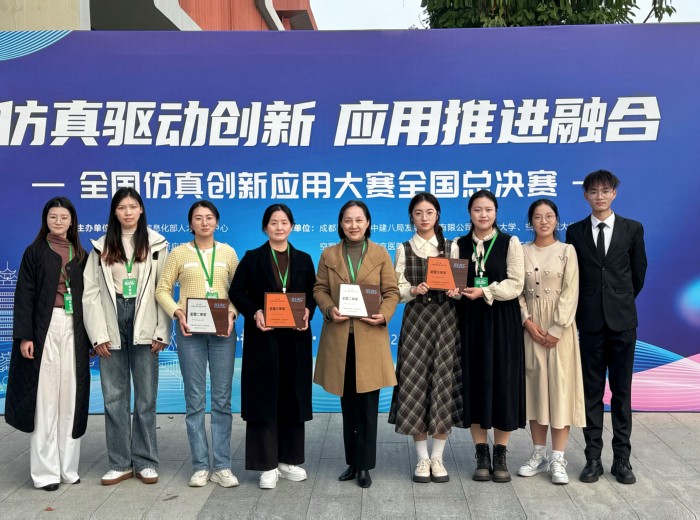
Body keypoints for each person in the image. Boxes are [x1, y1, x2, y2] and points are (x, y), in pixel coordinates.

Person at [83, 188, 171, 486]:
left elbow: (163, 289)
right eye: (122, 207)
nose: (128, 212)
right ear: (115, 212)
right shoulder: (100, 247)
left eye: (133, 206)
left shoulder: (157, 244)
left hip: (145, 319)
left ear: (141, 209)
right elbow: (90, 294)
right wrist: (98, 336)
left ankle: (146, 462)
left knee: (146, 397)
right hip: (111, 319)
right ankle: (119, 463)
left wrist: (162, 331)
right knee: (113, 397)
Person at [566, 170, 647, 485]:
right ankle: (593, 459)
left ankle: (622, 460)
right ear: (585, 195)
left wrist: (618, 300)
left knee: (623, 392)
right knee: (592, 392)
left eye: (605, 190)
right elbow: (574, 276)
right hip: (589, 323)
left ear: (614, 193)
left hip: (623, 322)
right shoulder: (575, 232)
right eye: (593, 191)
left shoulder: (632, 228)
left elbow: (638, 274)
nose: (599, 196)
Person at [5, 197, 90, 491]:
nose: (58, 221)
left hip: (74, 328)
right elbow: (23, 296)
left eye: (63, 217)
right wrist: (25, 336)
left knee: (71, 397)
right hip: (45, 328)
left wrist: (92, 337)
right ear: (45, 220)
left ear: (72, 221)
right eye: (53, 217)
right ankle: (45, 473)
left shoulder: (81, 254)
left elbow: (90, 299)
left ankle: (68, 468)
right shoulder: (35, 252)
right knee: (45, 399)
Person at [228, 204, 316, 490]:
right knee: (264, 397)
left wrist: (308, 311)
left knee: (292, 395)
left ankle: (289, 460)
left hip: (295, 340)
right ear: (265, 227)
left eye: (284, 222)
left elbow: (313, 294)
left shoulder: (304, 259)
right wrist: (255, 311)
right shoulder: (253, 258)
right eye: (273, 222)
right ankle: (266, 464)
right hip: (263, 339)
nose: (279, 227)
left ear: (292, 226)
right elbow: (236, 291)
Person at [313, 200, 399, 489]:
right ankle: (352, 462)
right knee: (348, 404)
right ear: (341, 223)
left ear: (367, 223)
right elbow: (319, 289)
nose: (353, 225)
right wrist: (328, 309)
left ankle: (365, 466)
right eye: (348, 220)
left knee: (367, 406)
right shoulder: (329, 254)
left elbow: (391, 291)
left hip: (369, 337)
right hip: (340, 338)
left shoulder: (380, 253)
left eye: (359, 220)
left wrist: (383, 314)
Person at [155, 200, 239, 488]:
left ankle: (223, 466)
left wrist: (232, 314)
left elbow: (238, 291)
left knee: (222, 400)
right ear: (190, 223)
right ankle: (201, 466)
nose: (204, 222)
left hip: (223, 334)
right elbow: (162, 289)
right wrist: (177, 312)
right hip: (190, 333)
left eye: (209, 217)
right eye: (198, 218)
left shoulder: (228, 252)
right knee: (194, 400)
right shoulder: (179, 253)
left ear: (217, 222)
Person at [388, 192, 462, 484]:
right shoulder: (404, 248)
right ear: (411, 217)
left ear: (437, 215)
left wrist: (456, 291)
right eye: (418, 213)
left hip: (446, 320)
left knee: (444, 382)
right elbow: (396, 289)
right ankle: (421, 458)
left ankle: (438, 457)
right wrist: (412, 290)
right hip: (416, 320)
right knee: (414, 383)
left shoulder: (452, 246)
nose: (424, 217)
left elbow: (460, 284)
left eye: (429, 212)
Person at [455, 189, 525, 483]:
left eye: (488, 209)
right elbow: (455, 284)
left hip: (502, 321)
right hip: (470, 321)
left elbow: (516, 284)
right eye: (477, 210)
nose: (483, 215)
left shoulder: (510, 242)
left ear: (496, 213)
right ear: (469, 213)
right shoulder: (458, 245)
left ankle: (501, 453)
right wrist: (454, 290)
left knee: (503, 382)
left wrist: (485, 291)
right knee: (475, 382)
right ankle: (481, 452)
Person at [516, 199, 586, 485]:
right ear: (530, 221)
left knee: (560, 389)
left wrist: (557, 328)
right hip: (531, 326)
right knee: (535, 389)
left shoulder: (567, 251)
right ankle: (538, 454)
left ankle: (558, 457)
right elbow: (516, 290)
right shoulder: (521, 251)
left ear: (557, 220)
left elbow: (571, 290)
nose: (543, 221)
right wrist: (526, 321)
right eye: (537, 217)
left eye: (549, 216)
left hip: (561, 330)